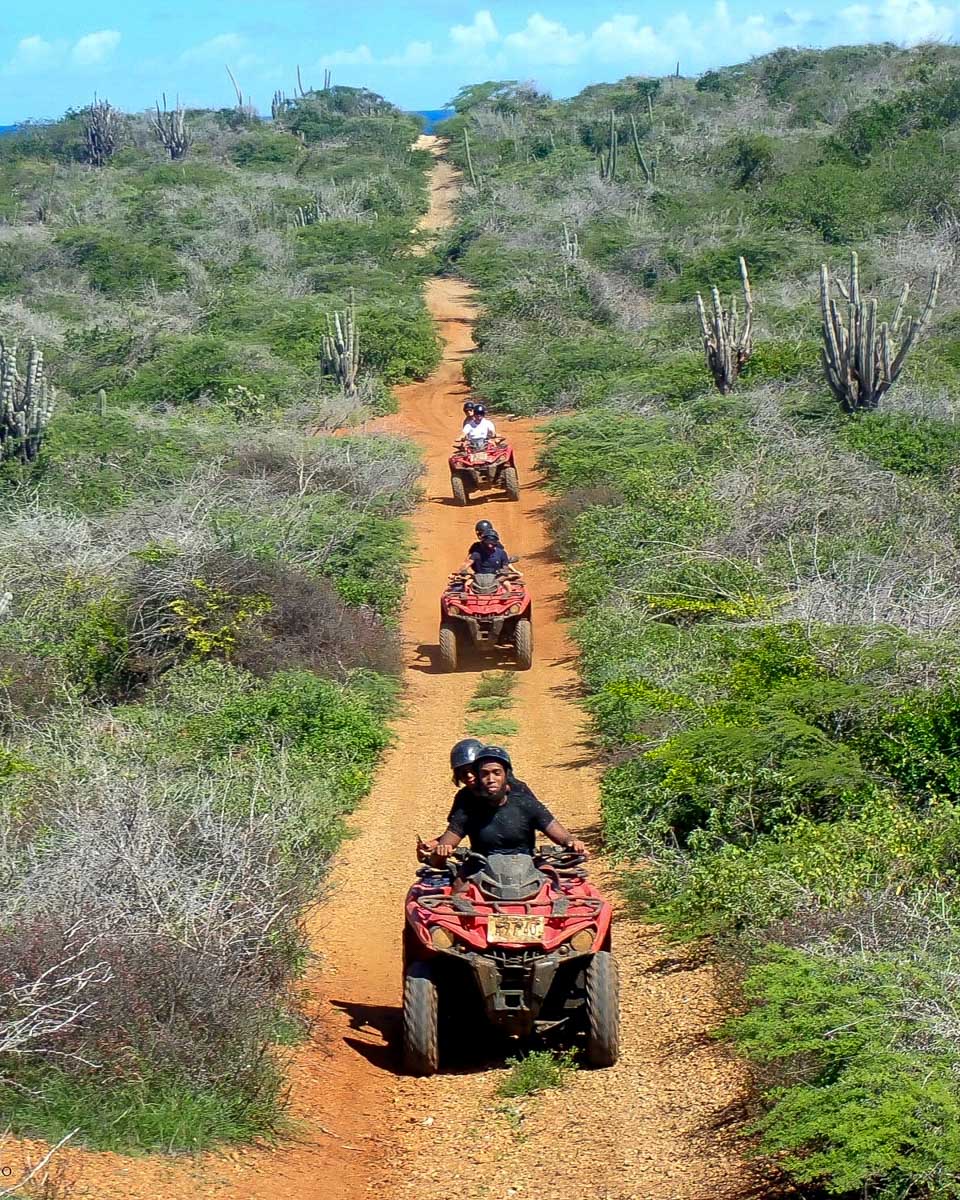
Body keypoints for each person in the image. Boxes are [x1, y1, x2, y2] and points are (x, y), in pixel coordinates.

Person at [418, 745, 587, 864]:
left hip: (527, 865)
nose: (490, 779)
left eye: (496, 773)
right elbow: (452, 836)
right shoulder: (466, 807)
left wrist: (573, 842)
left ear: (506, 776)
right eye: (484, 774)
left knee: (558, 892)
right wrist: (440, 850)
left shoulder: (525, 801)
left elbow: (560, 834)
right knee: (456, 899)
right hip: (482, 867)